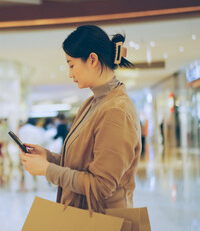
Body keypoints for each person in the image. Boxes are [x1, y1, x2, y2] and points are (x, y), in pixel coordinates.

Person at [19, 25, 141, 214]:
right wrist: (49, 158)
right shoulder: (94, 102)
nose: (70, 73)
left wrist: (47, 170)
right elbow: (82, 163)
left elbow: (101, 186)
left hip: (104, 222)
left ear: (92, 59)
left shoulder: (116, 110)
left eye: (71, 65)